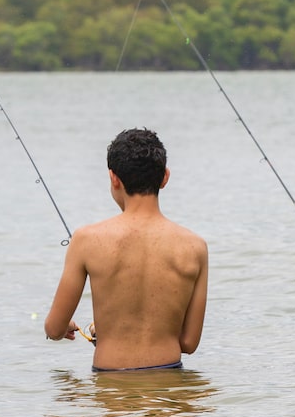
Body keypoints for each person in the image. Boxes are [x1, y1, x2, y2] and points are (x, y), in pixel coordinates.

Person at [44, 128, 209, 372]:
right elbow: (188, 342)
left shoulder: (86, 240)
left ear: (114, 178)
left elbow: (55, 329)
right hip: (170, 384)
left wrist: (67, 325)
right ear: (165, 177)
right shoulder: (195, 247)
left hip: (111, 387)